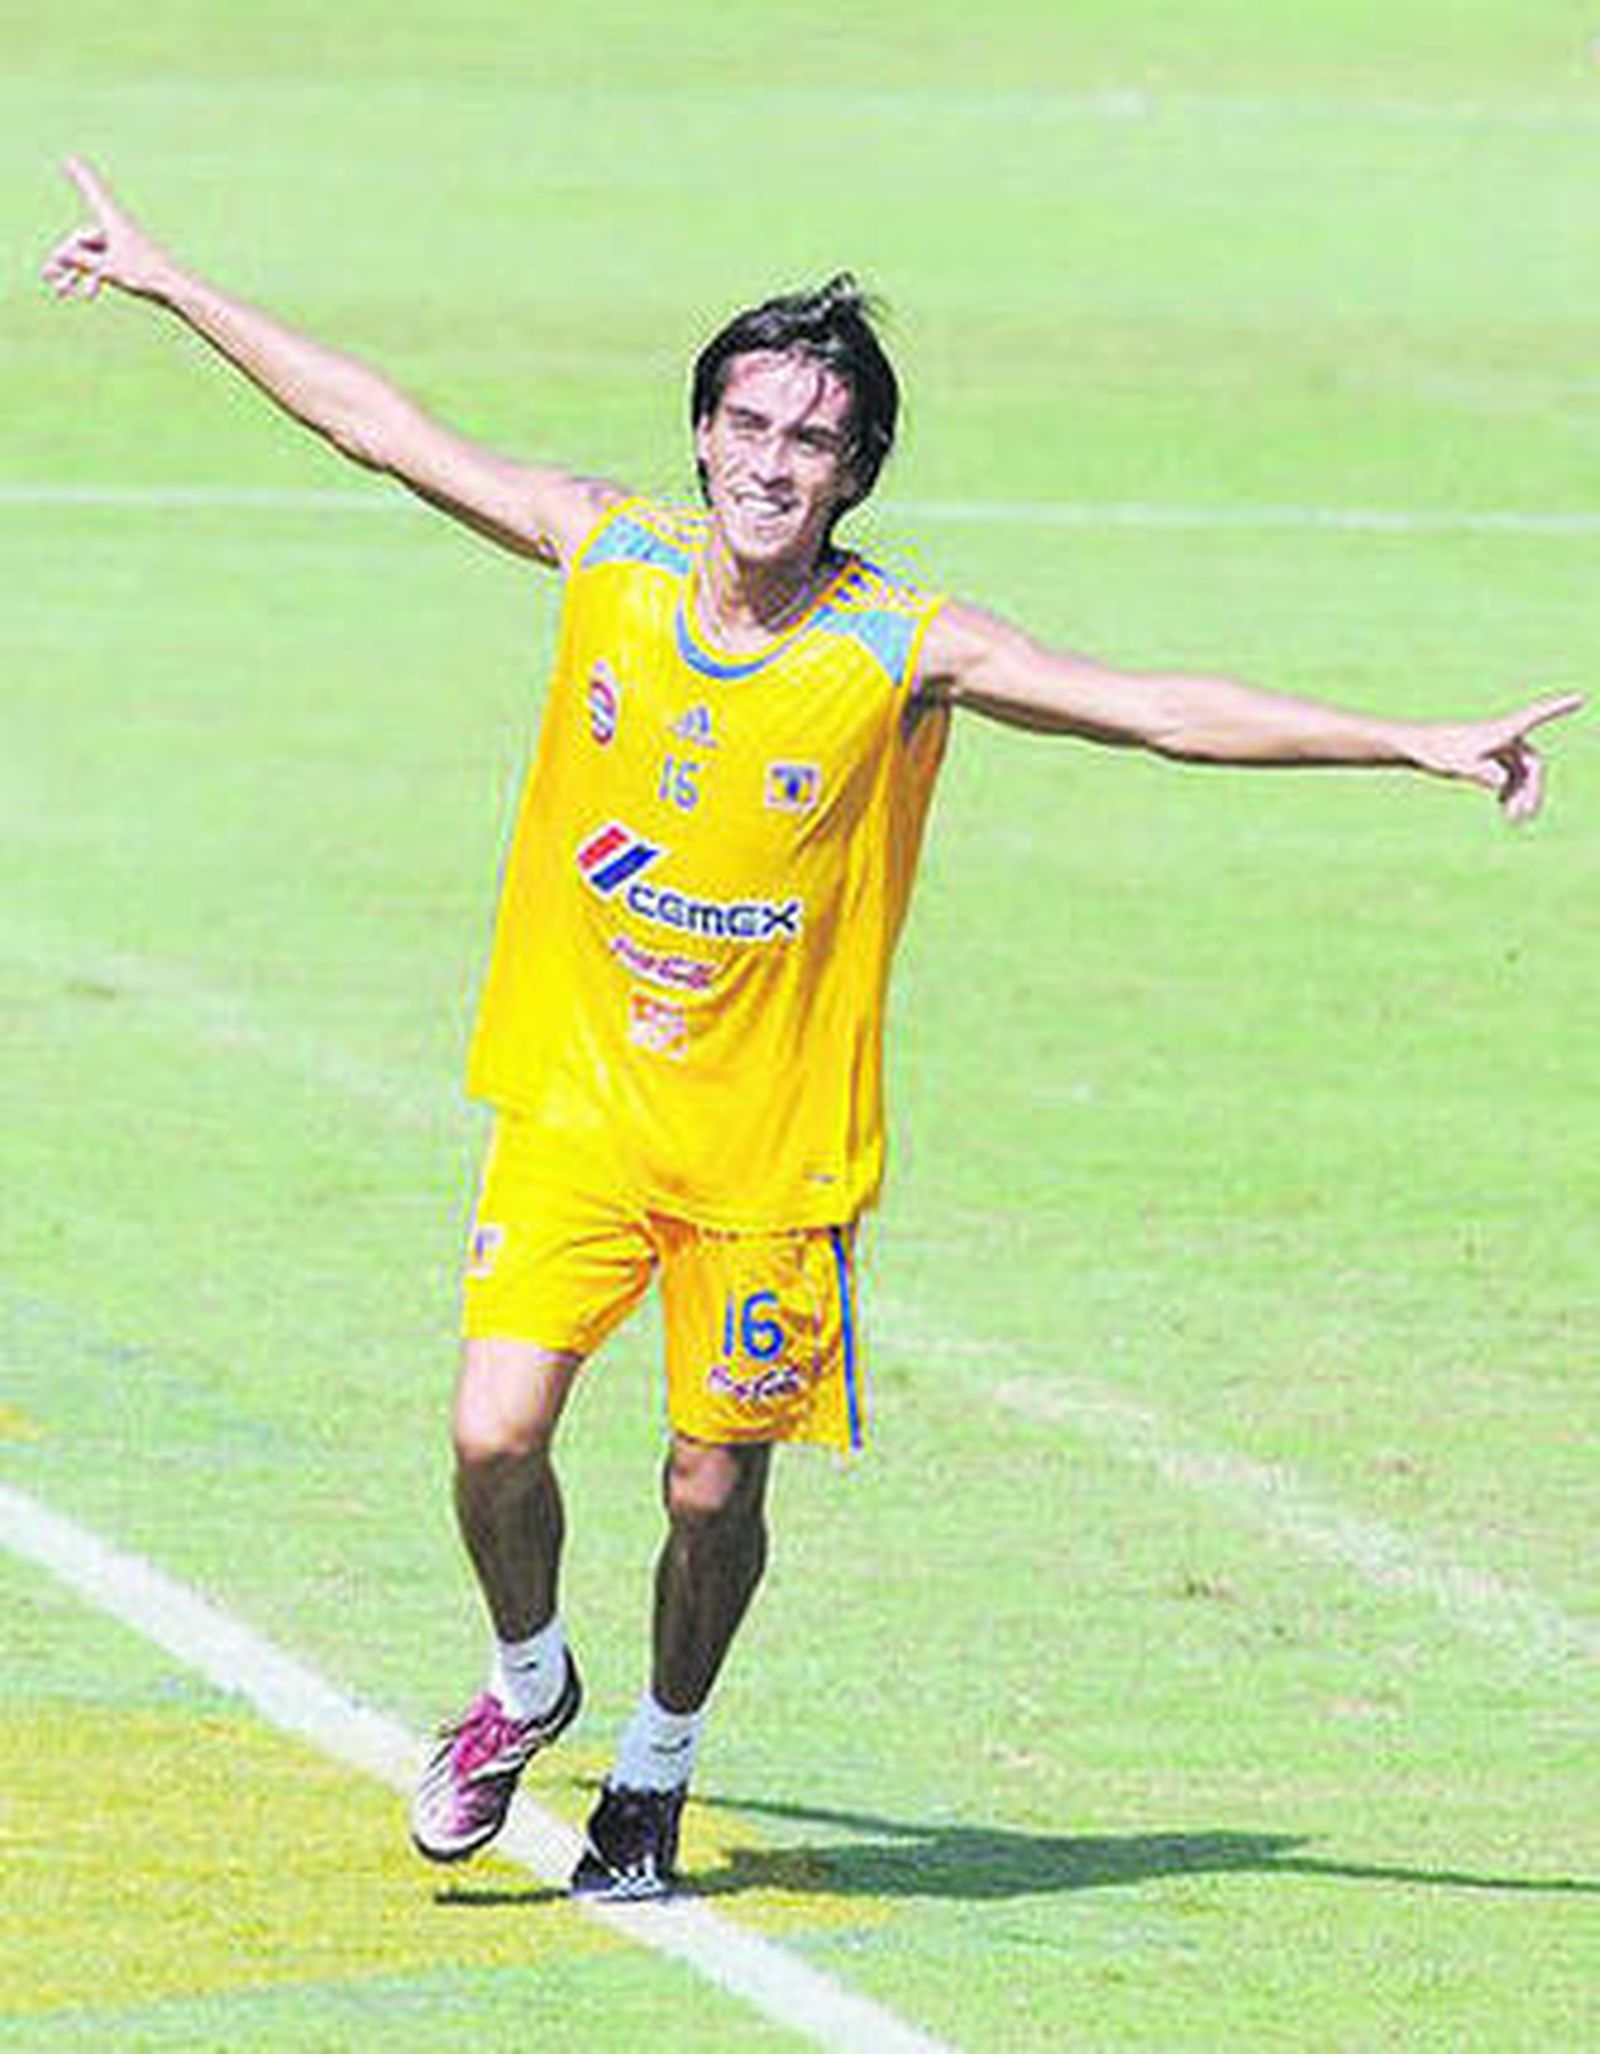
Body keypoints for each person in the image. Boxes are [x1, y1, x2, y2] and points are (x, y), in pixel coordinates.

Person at [43, 157, 1582, 1902]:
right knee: (492, 1436)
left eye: (814, 440)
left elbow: (1154, 709)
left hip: (774, 1158)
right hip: (576, 1109)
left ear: (855, 472)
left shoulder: (901, 647)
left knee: (712, 1494)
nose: (773, 462)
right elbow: (385, 431)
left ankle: (657, 1758)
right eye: (749, 422)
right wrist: (175, 283)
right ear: (701, 433)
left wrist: (1413, 739)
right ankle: (527, 1676)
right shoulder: (605, 549)